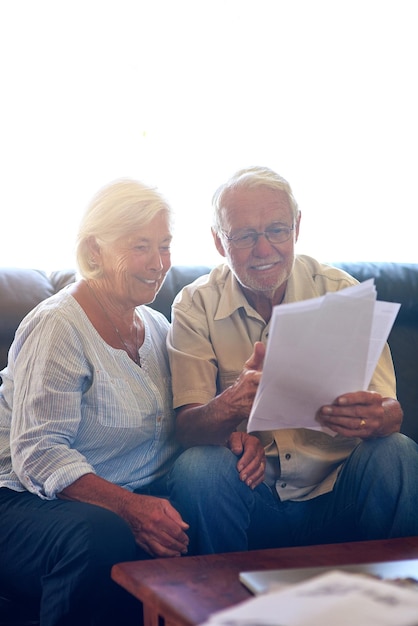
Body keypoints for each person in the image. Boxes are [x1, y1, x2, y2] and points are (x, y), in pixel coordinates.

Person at [166, 166, 418, 555]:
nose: (264, 250)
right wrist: (231, 406)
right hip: (253, 496)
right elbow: (187, 428)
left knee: (396, 451)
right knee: (199, 468)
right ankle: (221, 612)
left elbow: (391, 411)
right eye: (245, 235)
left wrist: (372, 417)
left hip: (340, 492)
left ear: (297, 228)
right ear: (218, 241)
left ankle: (394, 605)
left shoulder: (341, 293)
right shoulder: (194, 304)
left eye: (277, 230)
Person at [0, 179, 189, 626]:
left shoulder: (158, 327)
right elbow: (39, 455)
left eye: (164, 246)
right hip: (22, 497)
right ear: (94, 250)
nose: (159, 263)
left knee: (208, 494)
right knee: (103, 533)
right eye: (140, 246)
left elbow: (182, 423)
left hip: (124, 493)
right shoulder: (59, 326)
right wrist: (130, 506)